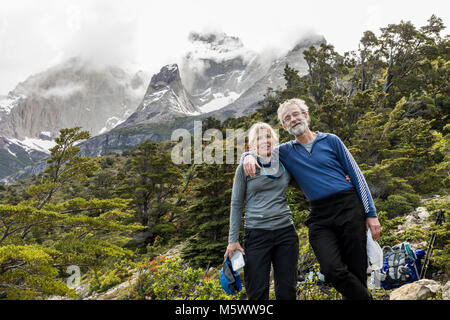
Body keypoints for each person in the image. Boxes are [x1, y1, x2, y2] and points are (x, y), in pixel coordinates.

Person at [241, 98, 382, 300]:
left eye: (296, 114)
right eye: (287, 118)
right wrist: (246, 156)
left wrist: (371, 214)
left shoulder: (331, 140)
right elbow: (261, 151)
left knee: (356, 272)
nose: (293, 120)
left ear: (306, 116)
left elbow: (357, 175)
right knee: (332, 269)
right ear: (284, 126)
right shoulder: (285, 152)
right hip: (320, 216)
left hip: (349, 208)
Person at [224, 122, 299, 300]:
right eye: (259, 138)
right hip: (256, 235)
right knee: (257, 292)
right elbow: (236, 204)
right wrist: (232, 240)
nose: (265, 140)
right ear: (252, 144)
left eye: (268, 136)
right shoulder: (244, 168)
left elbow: (309, 181)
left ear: (274, 140)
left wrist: (340, 178)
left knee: (287, 291)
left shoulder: (284, 164)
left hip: (286, 234)